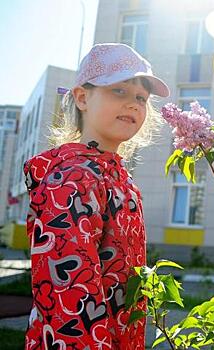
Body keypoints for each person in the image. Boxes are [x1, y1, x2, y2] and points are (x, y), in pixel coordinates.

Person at [24, 43, 169, 349]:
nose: (132, 104)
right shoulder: (72, 178)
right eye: (119, 91)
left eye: (141, 98)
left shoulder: (121, 178)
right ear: (82, 97)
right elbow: (68, 294)